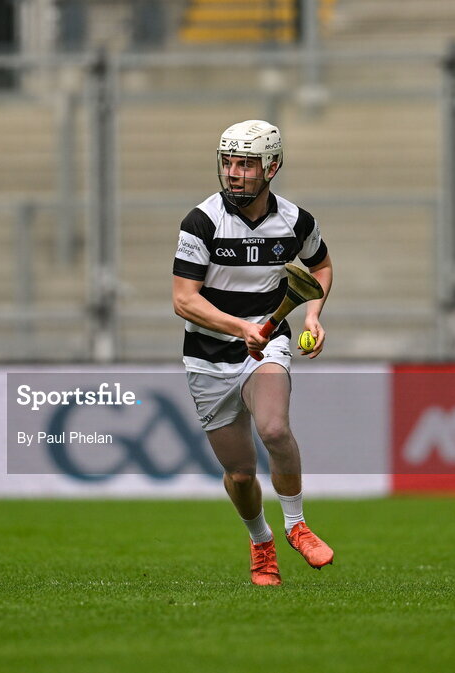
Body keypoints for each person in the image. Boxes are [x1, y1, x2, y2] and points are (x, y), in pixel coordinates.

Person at [171, 120, 334, 586]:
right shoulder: (201, 222)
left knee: (275, 429)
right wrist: (241, 327)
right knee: (240, 474)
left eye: (246, 164)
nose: (234, 172)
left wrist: (312, 316)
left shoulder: (296, 221)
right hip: (207, 354)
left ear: (272, 166)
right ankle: (261, 541)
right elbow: (184, 299)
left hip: (267, 345)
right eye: (228, 162)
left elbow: (319, 267)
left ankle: (296, 525)